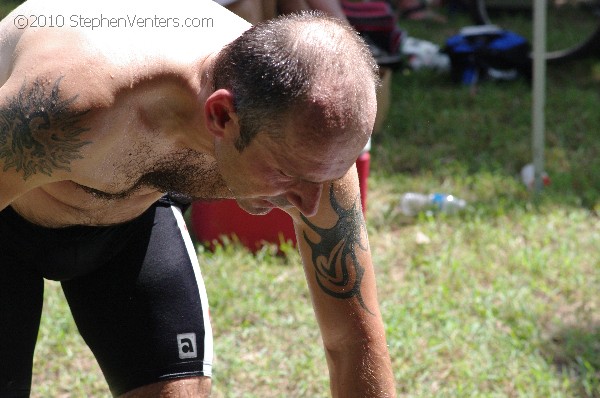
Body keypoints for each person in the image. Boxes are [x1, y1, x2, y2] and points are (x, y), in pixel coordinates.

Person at [0, 0, 396, 397]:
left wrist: (303, 172)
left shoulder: (311, 141)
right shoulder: (65, 108)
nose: (309, 204)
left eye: (323, 176)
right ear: (221, 115)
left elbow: (353, 342)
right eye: (285, 174)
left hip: (130, 218)